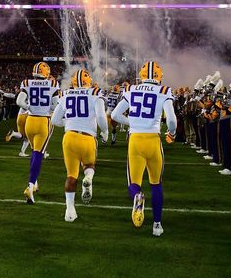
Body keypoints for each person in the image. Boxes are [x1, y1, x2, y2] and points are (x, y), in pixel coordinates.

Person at [111, 61, 177, 237]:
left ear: (141, 75)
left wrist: (132, 123)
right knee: (156, 184)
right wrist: (172, 133)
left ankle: (138, 196)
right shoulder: (164, 91)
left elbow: (115, 115)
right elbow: (171, 120)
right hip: (153, 140)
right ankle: (157, 224)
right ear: (158, 76)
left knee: (133, 184)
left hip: (136, 140)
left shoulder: (131, 89)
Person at [51, 69, 108, 221]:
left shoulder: (65, 94)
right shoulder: (95, 93)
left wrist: (68, 123)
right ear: (88, 81)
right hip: (88, 138)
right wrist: (105, 131)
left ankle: (69, 211)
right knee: (89, 166)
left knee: (71, 176)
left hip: (69, 137)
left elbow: (54, 121)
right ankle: (88, 179)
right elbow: (102, 116)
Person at [17, 62, 60, 204]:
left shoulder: (26, 82)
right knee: (38, 154)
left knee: (34, 151)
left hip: (30, 120)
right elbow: (55, 105)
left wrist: (29, 107)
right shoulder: (52, 83)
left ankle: (34, 183)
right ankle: (29, 186)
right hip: (43, 122)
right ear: (46, 72)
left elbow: (19, 101)